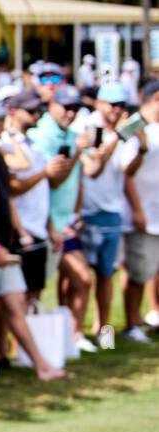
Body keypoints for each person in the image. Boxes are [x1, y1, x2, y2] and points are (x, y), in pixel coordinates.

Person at [0, 99, 67, 380]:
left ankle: (41, 366)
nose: (0, 124)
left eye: (3, 119)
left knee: (15, 305)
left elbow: (8, 195)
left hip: (8, 241)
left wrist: (19, 230)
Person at [27, 84, 98, 352]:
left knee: (74, 281)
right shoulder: (45, 136)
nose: (70, 113)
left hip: (65, 221)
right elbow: (54, 182)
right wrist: (78, 152)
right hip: (46, 223)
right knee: (79, 279)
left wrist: (76, 213)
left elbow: (81, 177)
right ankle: (49, 343)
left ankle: (69, 338)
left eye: (75, 108)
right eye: (66, 107)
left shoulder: (71, 133)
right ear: (53, 105)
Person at [79, 81, 129, 341]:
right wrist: (115, 138)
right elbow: (94, 168)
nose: (118, 110)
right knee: (80, 279)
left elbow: (127, 170)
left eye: (122, 105)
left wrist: (139, 145)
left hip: (113, 211)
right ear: (99, 103)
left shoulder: (123, 131)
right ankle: (77, 333)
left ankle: (104, 332)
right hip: (86, 213)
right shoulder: (88, 126)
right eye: (113, 105)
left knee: (106, 277)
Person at [0, 91, 56, 308]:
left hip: (38, 228)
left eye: (39, 111)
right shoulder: (5, 143)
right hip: (21, 229)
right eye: (31, 111)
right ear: (13, 112)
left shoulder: (31, 143)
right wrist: (45, 173)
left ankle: (30, 340)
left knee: (35, 293)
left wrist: (50, 227)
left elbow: (41, 191)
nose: (37, 115)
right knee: (16, 298)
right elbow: (13, 188)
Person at [119, 79, 159, 343]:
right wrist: (137, 210)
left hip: (155, 212)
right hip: (140, 213)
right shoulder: (134, 126)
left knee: (152, 268)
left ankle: (152, 315)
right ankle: (130, 324)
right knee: (137, 271)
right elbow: (126, 173)